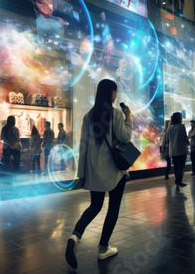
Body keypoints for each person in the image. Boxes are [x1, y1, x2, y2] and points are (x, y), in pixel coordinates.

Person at [65, 79, 132, 269]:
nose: (116, 94)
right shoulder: (117, 114)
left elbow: (83, 148)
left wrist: (82, 174)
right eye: (115, 91)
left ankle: (75, 235)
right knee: (113, 208)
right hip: (115, 172)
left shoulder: (88, 116)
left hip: (94, 170)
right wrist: (129, 118)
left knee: (95, 206)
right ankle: (103, 249)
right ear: (111, 92)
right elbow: (125, 137)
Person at [164, 112, 189, 189]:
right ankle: (178, 181)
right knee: (181, 166)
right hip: (181, 149)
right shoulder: (181, 126)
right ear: (179, 118)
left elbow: (167, 140)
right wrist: (188, 143)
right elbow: (184, 138)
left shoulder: (169, 127)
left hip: (173, 150)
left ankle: (177, 181)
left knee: (176, 166)